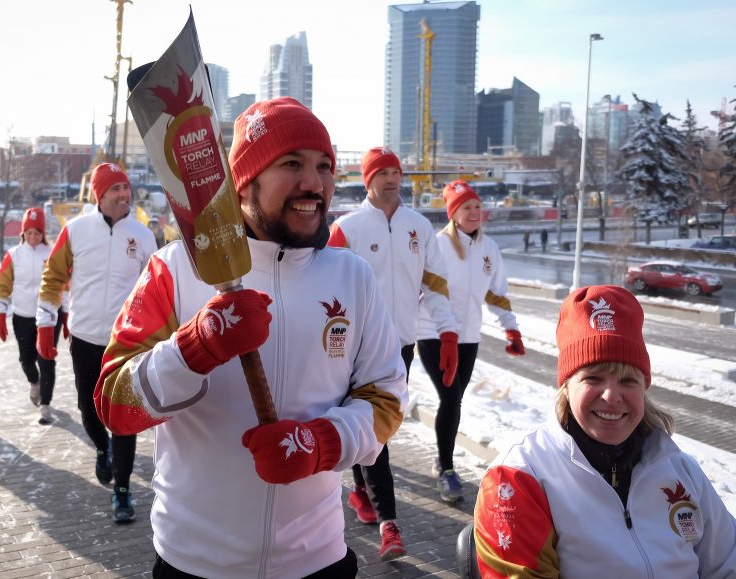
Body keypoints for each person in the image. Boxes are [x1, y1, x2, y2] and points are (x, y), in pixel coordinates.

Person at [95, 97, 408, 579]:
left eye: (324, 165)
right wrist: (195, 348)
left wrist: (321, 442)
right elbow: (115, 404)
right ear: (245, 180)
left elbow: (386, 397)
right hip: (194, 562)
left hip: (318, 558)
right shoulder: (176, 268)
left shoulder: (352, 277)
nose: (314, 183)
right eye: (291, 164)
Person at [473, 285, 736, 578]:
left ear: (644, 388)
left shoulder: (680, 470)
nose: (612, 396)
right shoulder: (518, 478)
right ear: (566, 385)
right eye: (594, 378)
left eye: (628, 380)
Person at [328, 146, 458, 561]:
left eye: (395, 172)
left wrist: (449, 332)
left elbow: (435, 287)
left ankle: (362, 488)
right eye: (381, 172)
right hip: (354, 347)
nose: (390, 179)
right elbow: (324, 285)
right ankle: (390, 524)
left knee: (376, 429)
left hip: (401, 345)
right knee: (374, 429)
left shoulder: (419, 227)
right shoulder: (347, 228)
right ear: (367, 180)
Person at [36, 162, 157, 523]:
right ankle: (101, 448)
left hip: (125, 342)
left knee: (125, 416)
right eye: (114, 190)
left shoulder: (143, 236)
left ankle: (122, 491)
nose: (124, 195)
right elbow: (53, 276)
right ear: (98, 196)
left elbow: (157, 287)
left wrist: (154, 332)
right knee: (90, 411)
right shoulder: (75, 231)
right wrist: (46, 325)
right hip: (85, 336)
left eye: (126, 188)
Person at [416, 180, 525, 502]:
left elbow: (495, 293)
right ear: (453, 212)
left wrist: (511, 329)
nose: (475, 212)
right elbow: (421, 289)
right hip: (433, 333)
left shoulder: (488, 248)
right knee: (450, 399)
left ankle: (442, 456)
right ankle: (447, 468)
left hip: (468, 337)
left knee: (454, 400)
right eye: (467, 207)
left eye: (478, 207)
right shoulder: (437, 245)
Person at [0, 207, 65, 424]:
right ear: (23, 233)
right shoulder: (13, 255)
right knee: (26, 360)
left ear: (43, 234)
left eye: (38, 233)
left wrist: (68, 312)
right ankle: (34, 382)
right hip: (23, 315)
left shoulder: (53, 254)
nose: (33, 237)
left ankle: (45, 404)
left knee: (47, 359)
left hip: (50, 314)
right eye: (29, 233)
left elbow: (65, 284)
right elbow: (3, 286)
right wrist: (0, 313)